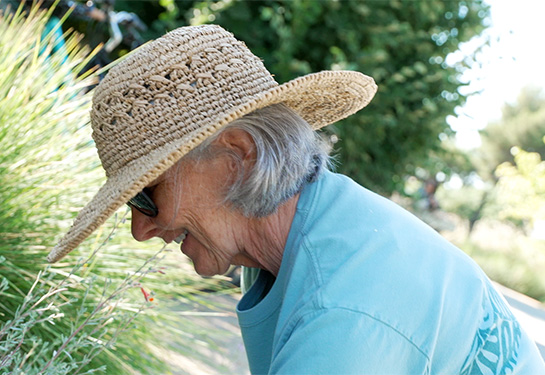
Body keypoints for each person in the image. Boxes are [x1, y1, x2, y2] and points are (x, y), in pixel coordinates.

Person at [48, 25, 545, 374]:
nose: (141, 229)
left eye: (146, 194)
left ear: (237, 158)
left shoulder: (343, 312)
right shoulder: (324, 227)